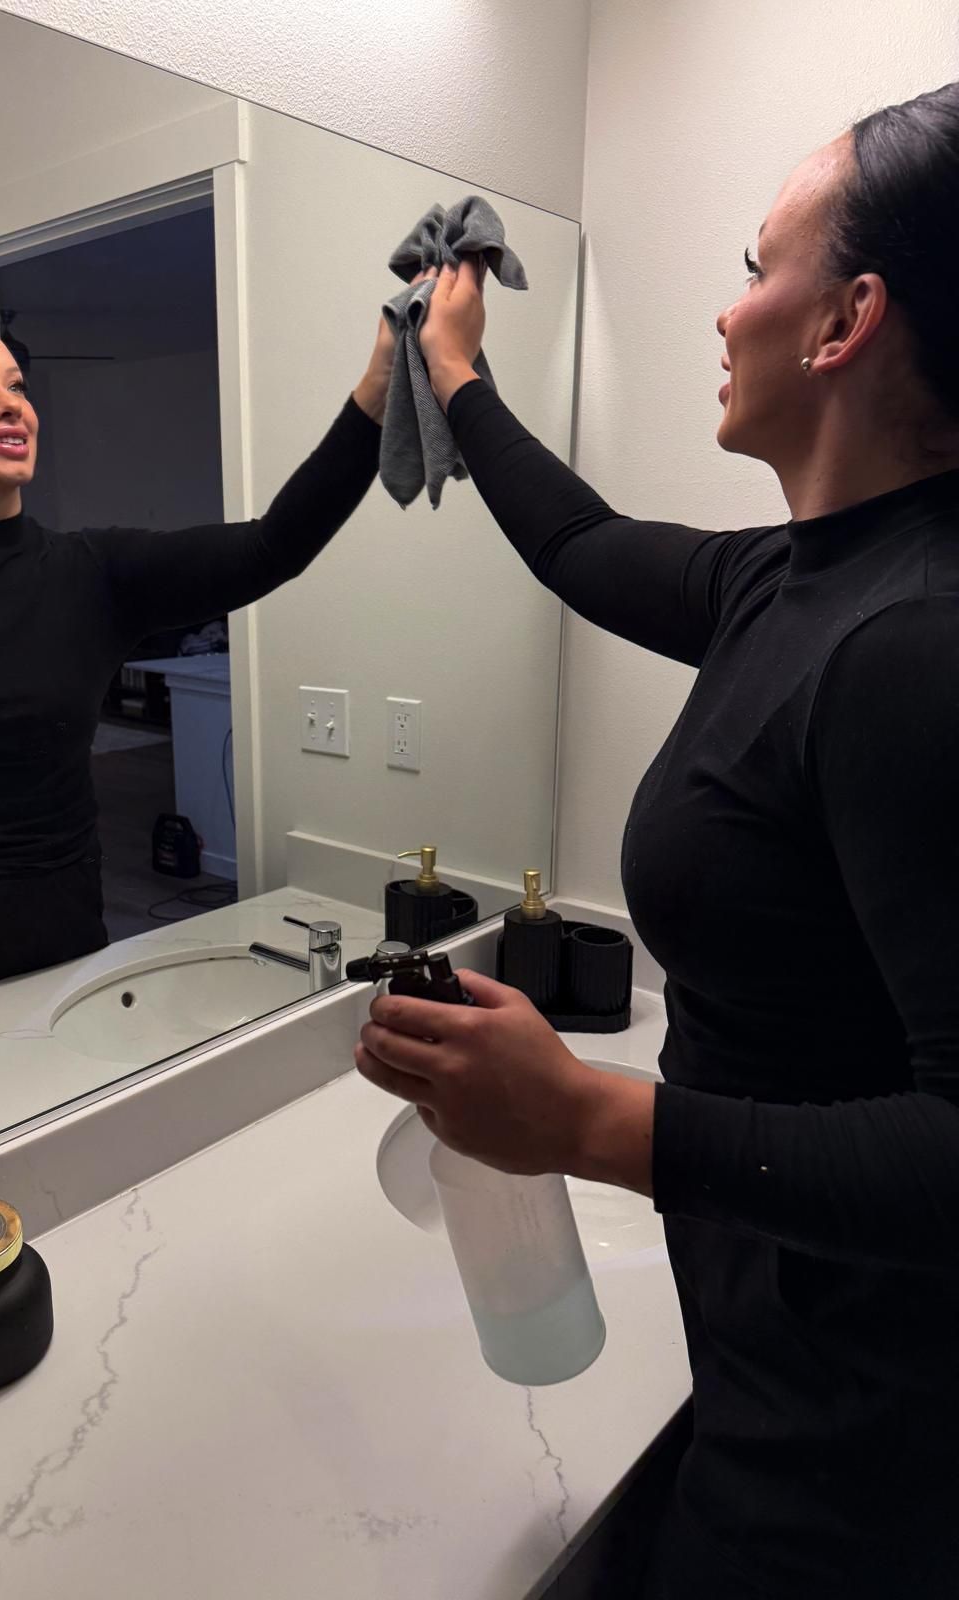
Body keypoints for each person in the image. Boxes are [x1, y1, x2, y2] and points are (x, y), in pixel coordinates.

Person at [355, 82, 959, 1599]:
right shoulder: (803, 579)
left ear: (847, 321)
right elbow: (579, 544)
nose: (727, 308)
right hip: (776, 1337)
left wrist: (586, 1122)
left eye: (759, 267)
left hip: (868, 1428)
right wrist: (459, 373)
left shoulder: (918, 647)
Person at [0, 314, 395, 1035]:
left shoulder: (96, 575)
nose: (11, 405)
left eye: (17, 386)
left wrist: (375, 394)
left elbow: (273, 547)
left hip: (52, 944)